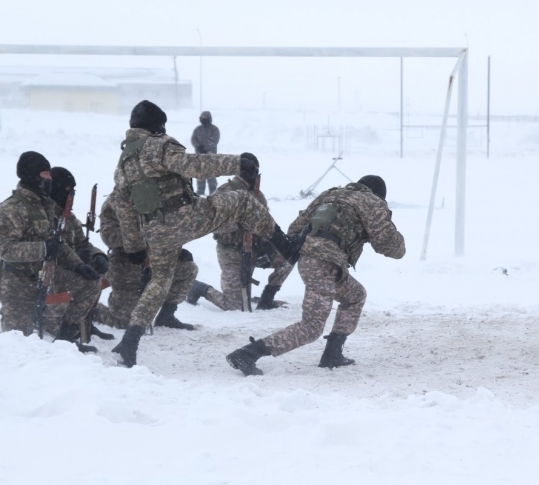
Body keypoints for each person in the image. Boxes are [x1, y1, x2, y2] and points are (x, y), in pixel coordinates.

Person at [110, 100, 304, 368]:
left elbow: (123, 205)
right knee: (242, 200)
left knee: (160, 281)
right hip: (184, 218)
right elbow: (193, 166)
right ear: (158, 126)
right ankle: (287, 246)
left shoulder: (124, 161)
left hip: (155, 230)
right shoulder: (159, 144)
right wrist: (239, 164)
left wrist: (135, 247)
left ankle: (129, 342)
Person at [226, 175, 405, 376]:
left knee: (355, 296)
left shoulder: (330, 194)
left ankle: (333, 354)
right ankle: (248, 353)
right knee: (311, 327)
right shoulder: (372, 203)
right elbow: (391, 247)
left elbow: (295, 228)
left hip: (314, 262)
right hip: (325, 265)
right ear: (379, 194)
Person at [0, 152, 101, 352]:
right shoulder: (12, 208)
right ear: (32, 176)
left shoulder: (44, 205)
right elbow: (5, 249)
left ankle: (63, 344)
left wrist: (78, 265)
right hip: (18, 282)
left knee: (90, 283)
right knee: (17, 344)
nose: (49, 179)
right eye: (45, 174)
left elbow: (57, 244)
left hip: (47, 274)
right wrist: (43, 249)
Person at [186, 154, 294, 311]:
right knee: (236, 307)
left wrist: (267, 243)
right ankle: (200, 289)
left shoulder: (258, 195)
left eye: (254, 170)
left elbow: (266, 223)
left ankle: (267, 297)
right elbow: (211, 225)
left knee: (288, 258)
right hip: (231, 254)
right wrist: (241, 223)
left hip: (255, 250)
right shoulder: (224, 193)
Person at [94, 189, 198, 331]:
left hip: (155, 260)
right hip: (126, 264)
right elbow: (109, 236)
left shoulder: (155, 197)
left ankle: (166, 316)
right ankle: (92, 309)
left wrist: (176, 250)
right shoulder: (115, 201)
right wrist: (136, 243)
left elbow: (168, 228)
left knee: (188, 269)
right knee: (124, 322)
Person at [44, 167, 114, 343]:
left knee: (100, 269)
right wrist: (77, 258)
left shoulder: (69, 217)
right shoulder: (45, 216)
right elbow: (50, 251)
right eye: (68, 190)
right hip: (49, 272)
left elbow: (83, 243)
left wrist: (98, 255)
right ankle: (66, 334)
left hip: (71, 267)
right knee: (88, 281)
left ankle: (86, 321)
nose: (71, 196)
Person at [191, 111, 220, 195]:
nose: (204, 119)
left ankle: (213, 192)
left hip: (210, 156)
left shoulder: (214, 129)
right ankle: (200, 192)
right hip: (199, 155)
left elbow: (214, 140)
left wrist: (205, 148)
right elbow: (193, 139)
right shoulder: (198, 129)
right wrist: (198, 146)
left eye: (206, 117)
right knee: (200, 173)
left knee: (211, 173)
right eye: (203, 117)